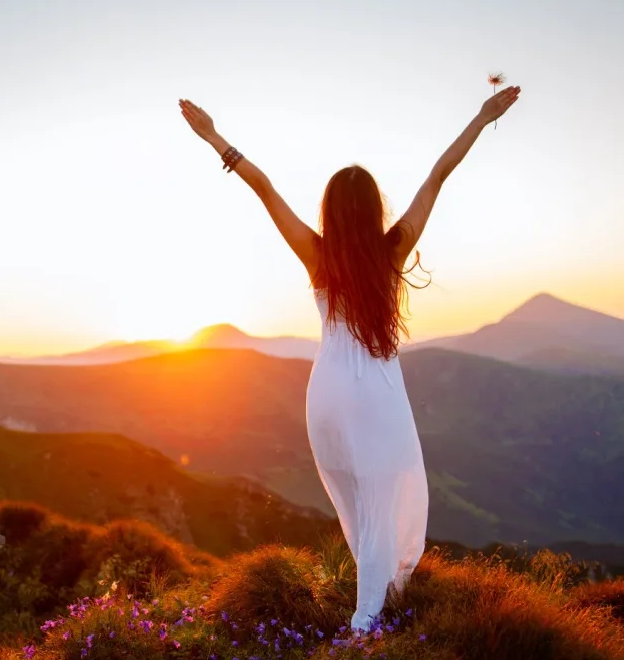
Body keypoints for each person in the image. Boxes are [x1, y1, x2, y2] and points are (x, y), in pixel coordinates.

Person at [178, 84, 522, 631]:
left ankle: (376, 591)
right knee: (391, 488)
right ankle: (371, 615)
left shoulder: (316, 255)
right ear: (372, 211)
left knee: (357, 495)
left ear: (332, 213)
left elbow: (264, 188)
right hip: (376, 390)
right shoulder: (393, 250)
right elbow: (438, 175)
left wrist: (214, 137)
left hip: (328, 391)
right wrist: (482, 118)